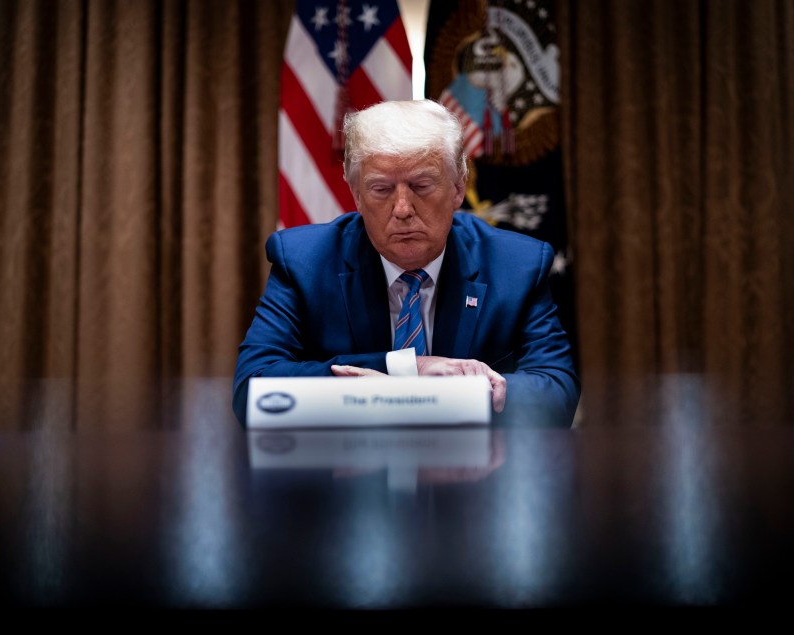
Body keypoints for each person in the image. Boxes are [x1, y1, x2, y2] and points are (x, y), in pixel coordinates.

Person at [233, 99, 579, 426]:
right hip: (345, 475)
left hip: (473, 478)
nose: (402, 209)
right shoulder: (304, 261)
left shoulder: (517, 265)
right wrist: (404, 372)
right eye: (381, 189)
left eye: (422, 185)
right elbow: (251, 389)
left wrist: (466, 392)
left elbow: (557, 393)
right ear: (355, 193)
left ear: (459, 187)